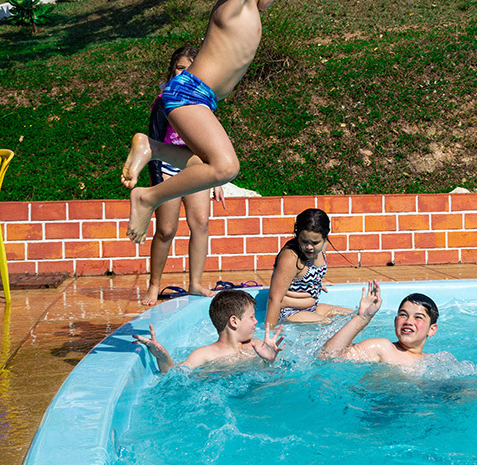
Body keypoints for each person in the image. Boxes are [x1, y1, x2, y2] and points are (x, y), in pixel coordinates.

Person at [120, 0, 294, 244]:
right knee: (226, 166)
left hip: (198, 97)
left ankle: (152, 147)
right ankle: (146, 197)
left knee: (204, 164)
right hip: (190, 94)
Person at [142, 46, 223, 306]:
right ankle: (154, 285)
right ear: (171, 70)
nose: (184, 72)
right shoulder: (164, 100)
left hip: (195, 167)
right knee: (166, 229)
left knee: (200, 223)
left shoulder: (202, 102)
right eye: (179, 67)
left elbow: (212, 143)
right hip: (166, 167)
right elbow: (153, 140)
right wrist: (156, 181)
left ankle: (196, 283)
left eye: (191, 67)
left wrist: (218, 178)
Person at [133, 289, 283, 373]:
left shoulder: (255, 346)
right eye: (252, 317)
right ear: (234, 321)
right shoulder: (204, 354)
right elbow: (176, 376)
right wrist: (162, 356)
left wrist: (270, 361)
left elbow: (272, 375)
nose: (256, 321)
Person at [319, 280, 441, 367]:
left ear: (432, 329)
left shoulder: (434, 362)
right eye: (403, 315)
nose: (408, 322)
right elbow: (328, 356)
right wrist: (362, 318)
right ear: (395, 322)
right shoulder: (382, 348)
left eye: (418, 317)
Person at [264, 208, 354, 326]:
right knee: (332, 325)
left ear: (325, 237)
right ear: (297, 235)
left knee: (356, 316)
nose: (309, 247)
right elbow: (274, 298)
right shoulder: (291, 257)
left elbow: (311, 272)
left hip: (312, 307)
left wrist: (316, 282)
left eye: (315, 242)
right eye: (304, 241)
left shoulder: (323, 246)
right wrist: (270, 332)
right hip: (290, 312)